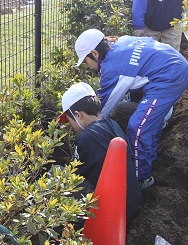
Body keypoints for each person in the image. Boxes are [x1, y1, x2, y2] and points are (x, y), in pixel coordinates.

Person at [74, 29, 188, 189]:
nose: (87, 67)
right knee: (139, 111)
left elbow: (102, 110)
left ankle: (139, 180)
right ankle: (152, 145)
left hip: (169, 76)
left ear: (94, 53)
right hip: (172, 65)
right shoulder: (120, 42)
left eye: (85, 61)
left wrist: (83, 129)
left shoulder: (111, 67)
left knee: (137, 129)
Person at [58, 82, 141, 222]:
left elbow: (75, 175)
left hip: (113, 213)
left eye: (69, 120)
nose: (70, 126)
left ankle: (78, 227)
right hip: (132, 204)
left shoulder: (85, 138)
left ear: (77, 115)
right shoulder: (112, 124)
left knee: (59, 174)